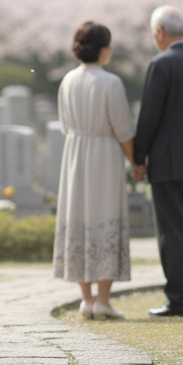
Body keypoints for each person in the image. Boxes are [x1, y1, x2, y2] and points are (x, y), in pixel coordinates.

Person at [132, 6, 183, 318]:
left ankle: (179, 300)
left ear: (159, 32)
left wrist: (138, 158)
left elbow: (149, 117)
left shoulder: (160, 64)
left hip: (168, 162)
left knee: (172, 231)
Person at [53, 21, 136, 320]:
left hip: (75, 155)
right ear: (102, 48)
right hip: (104, 156)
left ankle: (86, 300)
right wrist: (136, 163)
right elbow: (124, 128)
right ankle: (103, 299)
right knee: (106, 219)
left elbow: (65, 126)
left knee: (79, 222)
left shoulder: (67, 81)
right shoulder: (110, 82)